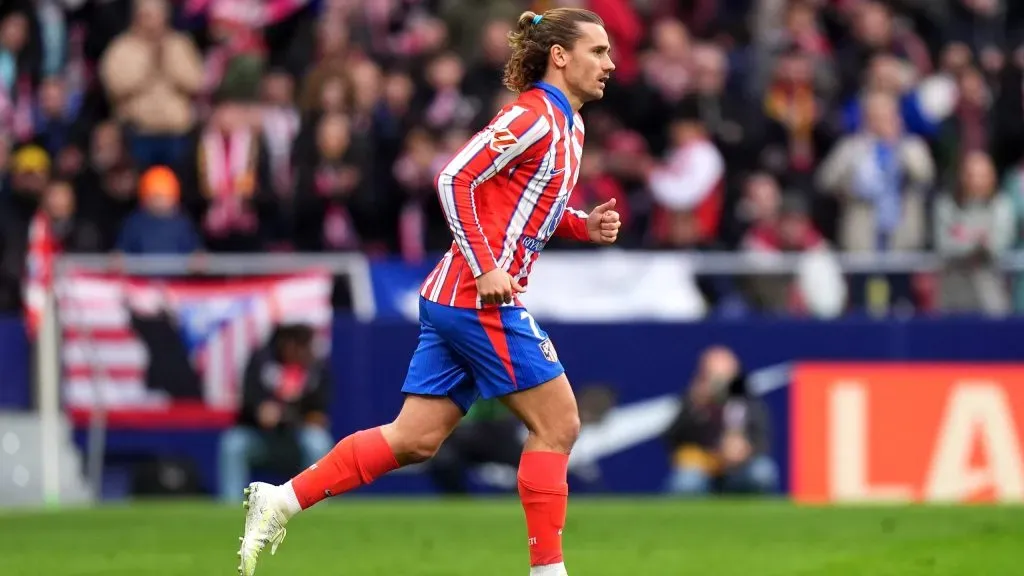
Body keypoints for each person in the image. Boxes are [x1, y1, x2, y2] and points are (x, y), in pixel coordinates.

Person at [237, 8, 619, 576]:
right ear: (560, 56)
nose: (609, 64)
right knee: (558, 423)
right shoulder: (533, 115)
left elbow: (525, 206)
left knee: (414, 438)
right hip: (477, 297)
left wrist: (578, 224)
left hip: (454, 296)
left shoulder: (572, 125)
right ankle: (549, 573)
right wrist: (488, 267)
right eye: (598, 51)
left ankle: (281, 499)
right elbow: (454, 177)